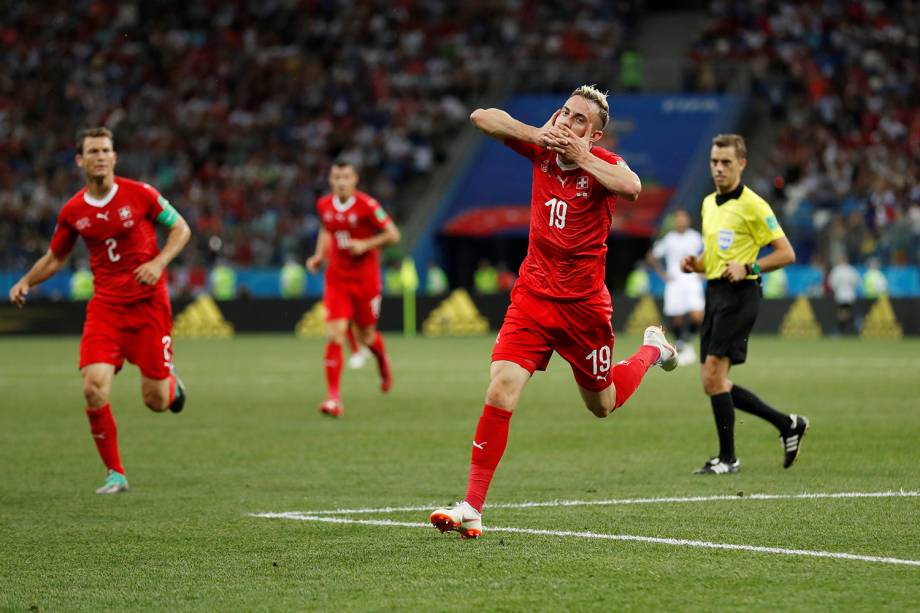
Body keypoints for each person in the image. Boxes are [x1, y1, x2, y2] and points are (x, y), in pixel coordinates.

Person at [430, 85, 678, 539]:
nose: (567, 121)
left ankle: (651, 350)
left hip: (584, 310)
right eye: (565, 113)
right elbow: (482, 116)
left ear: (596, 135)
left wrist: (581, 155)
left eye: (580, 120)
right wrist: (540, 136)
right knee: (501, 387)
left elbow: (634, 187)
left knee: (602, 405)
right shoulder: (541, 150)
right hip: (532, 298)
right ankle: (472, 506)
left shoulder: (603, 166)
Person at [8, 127, 191, 494]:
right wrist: (27, 280)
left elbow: (181, 229)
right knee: (93, 388)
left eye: (106, 150)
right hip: (106, 309)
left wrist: (159, 263)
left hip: (148, 306)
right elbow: (56, 256)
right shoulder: (74, 210)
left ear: (115, 157)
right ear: (80, 160)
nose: (101, 156)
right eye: (93, 151)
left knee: (155, 401)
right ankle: (116, 473)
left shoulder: (141, 194)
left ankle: (173, 387)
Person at [680, 134, 808, 475]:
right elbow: (715, 259)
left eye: (726, 162)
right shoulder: (708, 204)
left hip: (741, 295)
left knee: (713, 376)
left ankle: (728, 459)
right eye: (714, 162)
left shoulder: (754, 205)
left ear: (742, 164)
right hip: (715, 294)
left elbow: (786, 253)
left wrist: (749, 266)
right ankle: (787, 424)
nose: (718, 169)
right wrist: (696, 264)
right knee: (713, 382)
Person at [306, 160, 400, 417]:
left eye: (346, 177)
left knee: (366, 337)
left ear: (355, 179)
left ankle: (383, 362)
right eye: (336, 177)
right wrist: (318, 256)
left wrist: (366, 244)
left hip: (366, 280)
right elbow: (327, 229)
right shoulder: (324, 205)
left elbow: (393, 234)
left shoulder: (368, 206)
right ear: (330, 180)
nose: (341, 182)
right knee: (336, 334)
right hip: (337, 277)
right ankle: (333, 400)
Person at [646, 208, 705, 365]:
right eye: (678, 218)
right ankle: (682, 346)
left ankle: (684, 343)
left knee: (698, 316)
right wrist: (663, 274)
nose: (681, 221)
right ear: (675, 221)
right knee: (677, 317)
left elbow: (708, 253)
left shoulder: (695, 237)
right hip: (675, 283)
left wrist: (703, 271)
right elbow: (651, 257)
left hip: (692, 281)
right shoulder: (669, 239)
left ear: (688, 220)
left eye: (683, 218)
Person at [828, 256, 859, 334]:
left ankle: (843, 329)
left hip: (840, 295)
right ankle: (853, 326)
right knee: (847, 312)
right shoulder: (851, 270)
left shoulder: (836, 270)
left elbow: (831, 283)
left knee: (842, 312)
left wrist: (836, 290)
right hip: (850, 295)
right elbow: (856, 282)